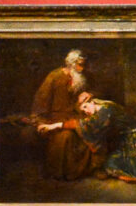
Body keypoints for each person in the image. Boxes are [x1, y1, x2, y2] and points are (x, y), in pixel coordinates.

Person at [31, 51, 92, 181]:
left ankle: (87, 170)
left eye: (83, 65)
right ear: (71, 64)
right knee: (66, 136)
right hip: (54, 118)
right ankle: (66, 174)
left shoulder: (80, 79)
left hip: (75, 115)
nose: (82, 68)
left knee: (91, 129)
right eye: (80, 65)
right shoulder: (54, 76)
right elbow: (41, 100)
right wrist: (40, 121)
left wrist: (86, 96)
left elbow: (80, 100)